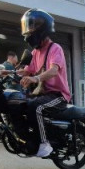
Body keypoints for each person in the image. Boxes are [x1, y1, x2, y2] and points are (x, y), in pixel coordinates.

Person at [16, 9, 71, 157]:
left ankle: (44, 144)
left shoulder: (55, 48)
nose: (29, 31)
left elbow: (54, 71)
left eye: (32, 27)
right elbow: (27, 70)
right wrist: (6, 72)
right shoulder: (35, 52)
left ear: (42, 29)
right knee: (20, 103)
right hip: (44, 94)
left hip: (59, 95)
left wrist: (36, 78)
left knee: (36, 107)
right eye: (28, 27)